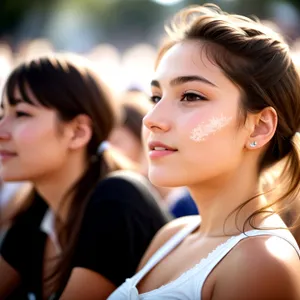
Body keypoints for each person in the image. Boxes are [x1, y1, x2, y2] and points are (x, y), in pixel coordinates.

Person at [108, 4, 300, 300]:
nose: (151, 119)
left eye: (191, 96)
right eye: (156, 97)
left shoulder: (261, 262)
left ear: (260, 127)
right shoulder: (171, 236)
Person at [0, 54, 168, 299]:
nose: (2, 131)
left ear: (78, 132)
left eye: (22, 114)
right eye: (2, 112)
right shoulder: (37, 213)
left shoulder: (117, 200)